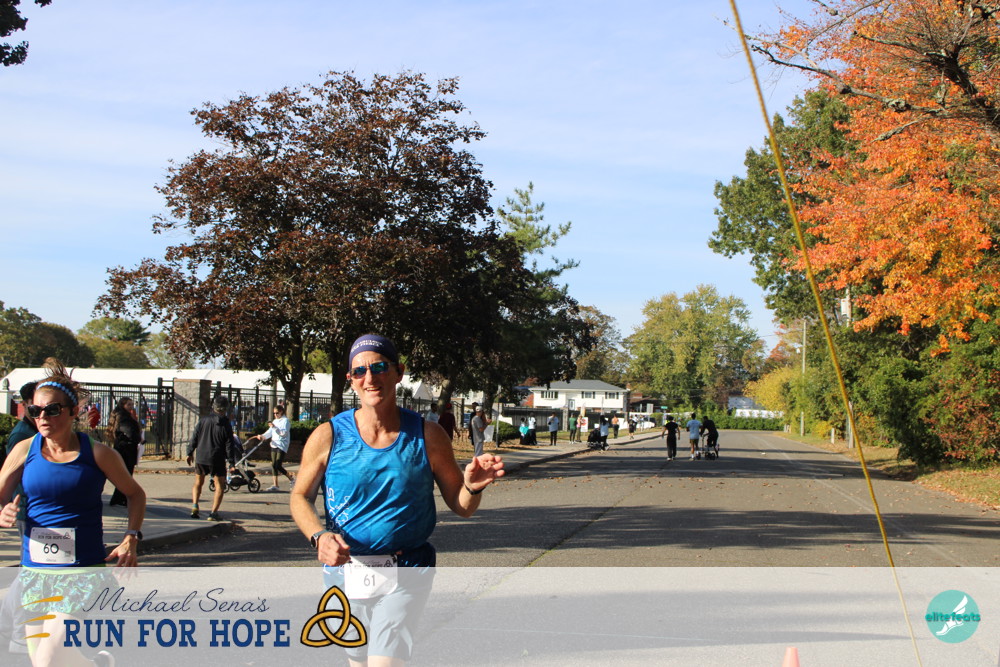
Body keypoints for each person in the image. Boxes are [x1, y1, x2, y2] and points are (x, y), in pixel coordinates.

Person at [290, 333, 504, 666]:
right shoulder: (328, 436)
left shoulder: (428, 436)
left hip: (407, 570)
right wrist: (319, 536)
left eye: (379, 367)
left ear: (398, 372)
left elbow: (461, 506)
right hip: (345, 572)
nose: (370, 378)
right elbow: (300, 497)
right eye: (359, 371)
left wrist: (472, 487)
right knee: (358, 660)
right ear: (350, 379)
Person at [0, 358, 145, 667]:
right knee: (42, 660)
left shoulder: (99, 454)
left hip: (81, 571)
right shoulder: (24, 450)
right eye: (35, 410)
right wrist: (3, 511)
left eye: (52, 409)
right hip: (36, 572)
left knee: (48, 658)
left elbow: (135, 494)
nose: (42, 417)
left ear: (73, 411)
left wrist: (130, 537)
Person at [186, 395, 236, 520]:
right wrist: (231, 462)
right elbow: (229, 444)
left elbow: (194, 437)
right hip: (217, 457)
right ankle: (213, 513)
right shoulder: (226, 424)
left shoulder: (203, 420)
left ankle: (195, 505)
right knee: (220, 485)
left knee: (198, 482)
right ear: (225, 409)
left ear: (214, 407)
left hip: (201, 456)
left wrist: (189, 452)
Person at [106, 397, 143, 507]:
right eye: (129, 404)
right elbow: (128, 431)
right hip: (126, 449)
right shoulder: (123, 416)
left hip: (124, 447)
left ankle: (118, 498)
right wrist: (139, 438)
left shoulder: (122, 415)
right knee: (126, 474)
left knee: (124, 474)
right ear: (123, 405)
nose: (131, 406)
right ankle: (120, 498)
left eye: (132, 404)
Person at [253, 404, 294, 492]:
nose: (275, 415)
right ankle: (275, 485)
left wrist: (274, 427)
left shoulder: (285, 421)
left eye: (277, 413)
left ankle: (291, 479)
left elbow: (284, 433)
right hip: (274, 444)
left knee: (278, 465)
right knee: (273, 465)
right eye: (274, 413)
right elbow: (270, 432)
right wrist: (262, 436)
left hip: (281, 444)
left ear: (281, 412)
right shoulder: (275, 421)